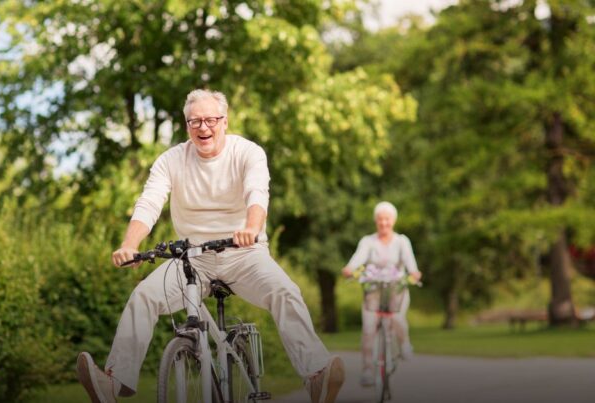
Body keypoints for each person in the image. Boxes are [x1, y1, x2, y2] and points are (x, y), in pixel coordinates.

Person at [76, 89, 345, 403]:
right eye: (195, 122)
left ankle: (316, 377)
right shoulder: (171, 160)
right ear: (186, 125)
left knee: (284, 292)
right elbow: (149, 203)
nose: (203, 128)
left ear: (225, 121)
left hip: (243, 253)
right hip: (192, 258)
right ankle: (112, 382)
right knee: (143, 297)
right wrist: (130, 245)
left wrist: (251, 228)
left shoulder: (248, 152)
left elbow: (257, 193)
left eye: (210, 120)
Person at [340, 201, 422, 387]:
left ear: (393, 221)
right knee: (368, 330)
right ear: (376, 221)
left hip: (396, 290)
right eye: (380, 219)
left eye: (387, 219)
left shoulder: (402, 241)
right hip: (374, 291)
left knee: (397, 319)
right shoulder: (368, 242)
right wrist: (349, 269)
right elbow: (357, 259)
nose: (384, 223)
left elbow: (411, 265)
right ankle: (368, 370)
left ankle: (404, 344)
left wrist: (414, 274)